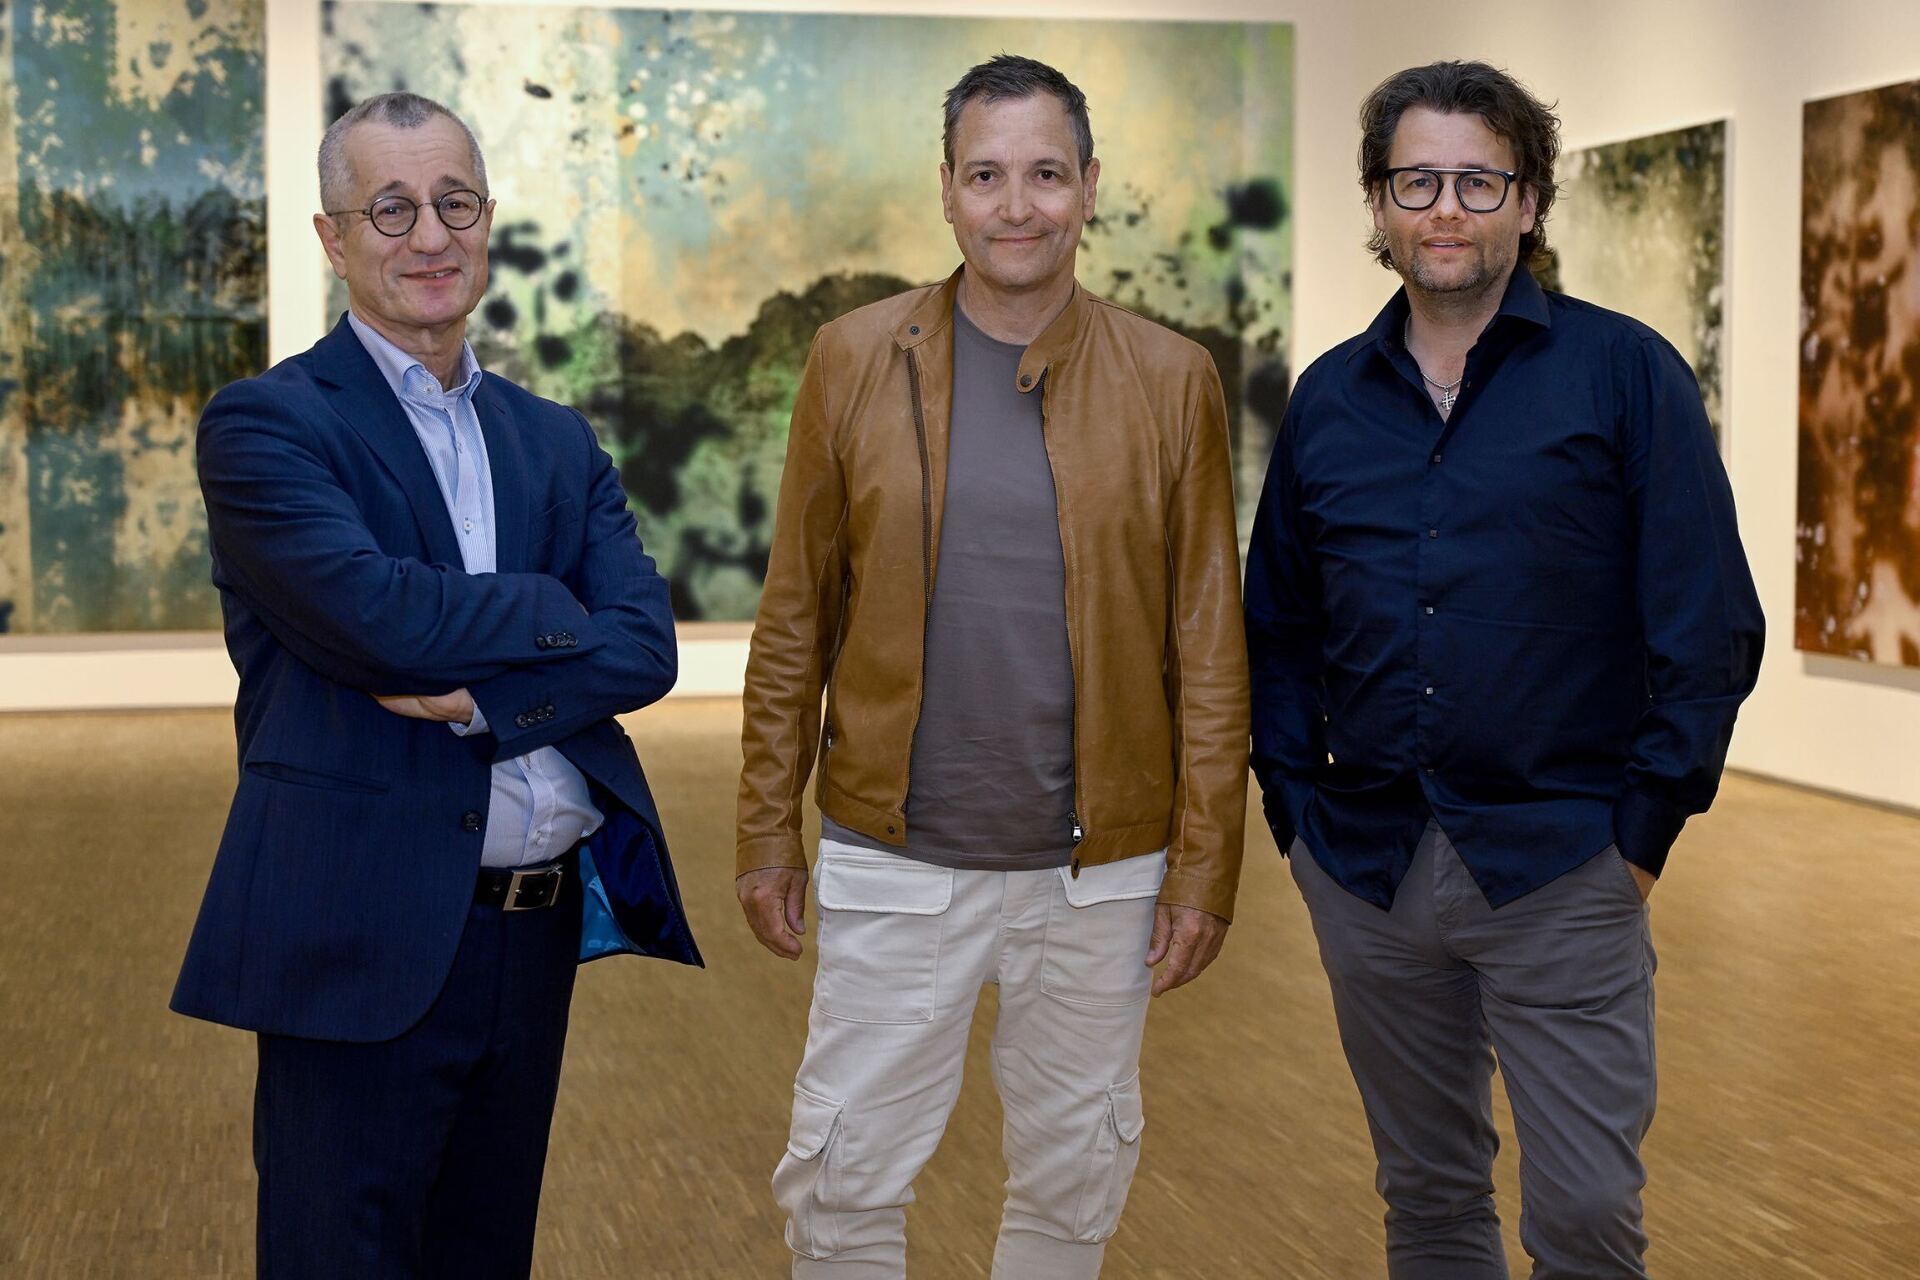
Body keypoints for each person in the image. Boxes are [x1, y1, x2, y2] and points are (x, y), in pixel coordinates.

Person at [1246, 60, 1764, 1278]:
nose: (1446, 208)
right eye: (1416, 180)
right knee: (1428, 1200)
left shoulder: (1626, 374)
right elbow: (1279, 626)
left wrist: (1639, 834)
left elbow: (1707, 624)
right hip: (1369, 867)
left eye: (1478, 181)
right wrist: (1295, 812)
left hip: (1564, 863)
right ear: (1378, 204)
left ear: (1528, 201)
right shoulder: (1328, 401)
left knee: (1586, 1217)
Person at [169, 91, 701, 1279]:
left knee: (484, 1254)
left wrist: (485, 699)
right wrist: (555, 609)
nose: (430, 235)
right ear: (333, 238)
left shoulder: (554, 438)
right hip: (359, 926)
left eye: (454, 203)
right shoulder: (267, 425)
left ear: (489, 220)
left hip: (532, 936)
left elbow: (647, 647)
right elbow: (380, 619)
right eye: (391, 207)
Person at [735, 54, 1249, 1279]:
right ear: (947, 190)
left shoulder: (1173, 379)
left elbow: (1208, 644)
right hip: (894, 852)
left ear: (1090, 188)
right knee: (843, 1174)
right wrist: (764, 825)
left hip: (1100, 873)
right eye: (986, 176)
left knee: (1075, 1180)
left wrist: (1205, 860)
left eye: (1046, 174)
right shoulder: (852, 358)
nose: (1017, 206)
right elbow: (796, 615)